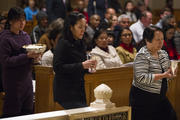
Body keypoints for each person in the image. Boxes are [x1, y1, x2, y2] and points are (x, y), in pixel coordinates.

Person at [0, 7, 40, 118]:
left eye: (24, 19)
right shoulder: (4, 38)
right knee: (13, 114)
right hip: (13, 81)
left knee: (28, 113)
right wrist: (26, 56)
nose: (22, 23)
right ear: (11, 21)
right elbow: (6, 61)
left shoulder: (26, 36)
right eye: (19, 20)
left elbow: (29, 57)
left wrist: (35, 58)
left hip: (26, 80)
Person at [129, 26, 177, 120]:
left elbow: (166, 76)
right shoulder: (142, 55)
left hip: (160, 96)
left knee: (172, 116)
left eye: (162, 39)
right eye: (157, 39)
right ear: (147, 40)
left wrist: (170, 74)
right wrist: (163, 75)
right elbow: (140, 78)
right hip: (143, 98)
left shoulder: (163, 53)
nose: (161, 42)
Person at [53, 12, 96, 109]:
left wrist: (89, 68)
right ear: (71, 27)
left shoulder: (81, 42)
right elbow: (57, 67)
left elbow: (80, 65)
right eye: (80, 27)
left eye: (84, 27)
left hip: (78, 89)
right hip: (65, 90)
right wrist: (82, 66)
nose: (83, 30)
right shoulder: (63, 42)